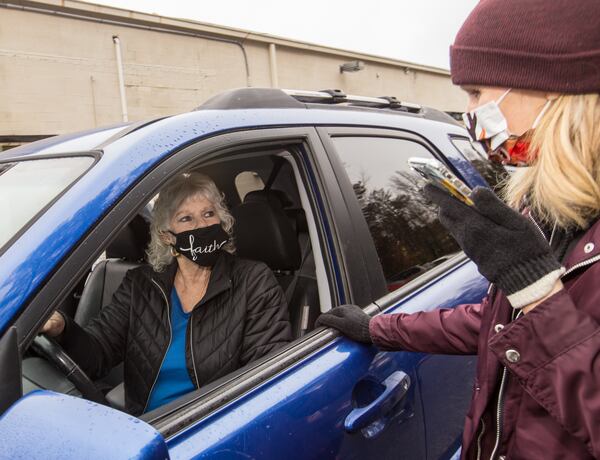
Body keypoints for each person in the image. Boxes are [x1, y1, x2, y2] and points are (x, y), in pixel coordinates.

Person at [317, 1, 600, 458]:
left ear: (552, 88)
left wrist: (541, 297)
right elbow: (494, 323)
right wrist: (378, 329)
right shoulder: (549, 209)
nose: (467, 112)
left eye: (474, 91)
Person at [42, 172, 292, 415]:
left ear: (222, 221)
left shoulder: (253, 281)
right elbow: (97, 355)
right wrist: (63, 329)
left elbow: (264, 376)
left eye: (208, 214)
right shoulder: (141, 284)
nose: (202, 226)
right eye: (186, 219)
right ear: (166, 235)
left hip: (211, 425)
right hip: (149, 426)